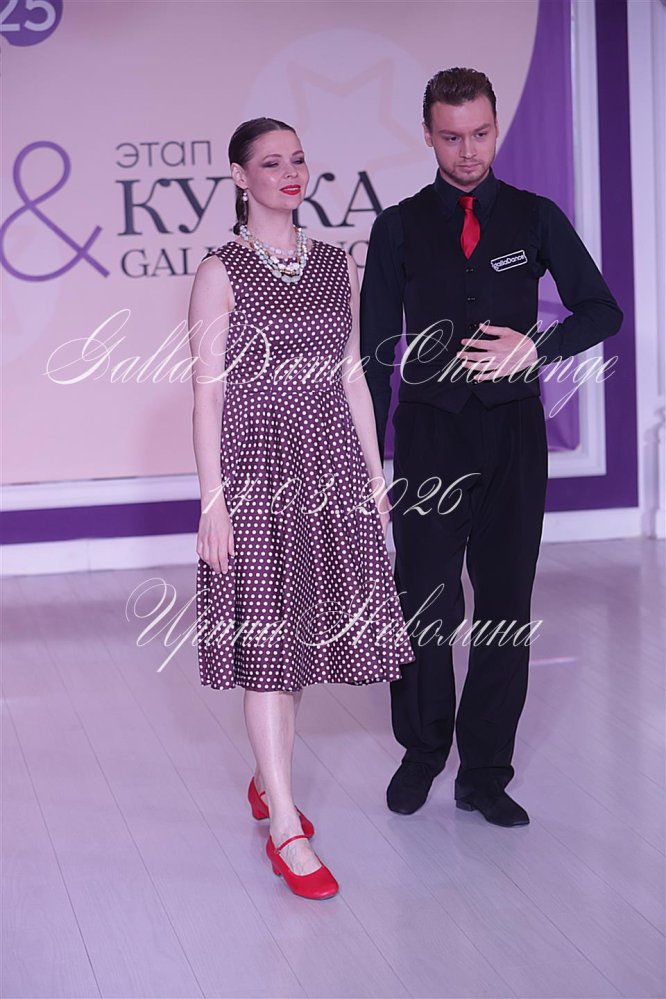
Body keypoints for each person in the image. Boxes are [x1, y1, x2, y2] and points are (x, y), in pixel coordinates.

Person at [360, 68, 623, 826]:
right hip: (429, 436)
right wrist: (369, 463)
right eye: (451, 137)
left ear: (496, 129)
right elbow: (375, 353)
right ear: (428, 135)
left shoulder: (535, 217)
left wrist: (536, 346)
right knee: (425, 601)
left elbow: (600, 310)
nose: (467, 150)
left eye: (479, 134)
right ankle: (421, 753)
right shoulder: (399, 227)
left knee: (506, 602)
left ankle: (484, 773)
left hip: (513, 436)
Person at [188, 117, 415, 899]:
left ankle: (267, 775)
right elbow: (206, 393)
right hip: (254, 467)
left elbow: (352, 374)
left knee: (305, 630)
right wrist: (212, 503)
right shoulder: (220, 271)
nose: (290, 173)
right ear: (239, 177)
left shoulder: (334, 262)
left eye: (298, 160)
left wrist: (375, 480)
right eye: (271, 162)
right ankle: (285, 824)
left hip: (328, 462)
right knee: (268, 638)